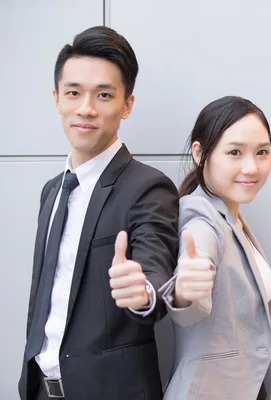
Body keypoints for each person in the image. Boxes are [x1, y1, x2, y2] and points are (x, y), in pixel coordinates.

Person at [18, 26, 179, 400]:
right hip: (41, 389)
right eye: (73, 93)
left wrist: (143, 291)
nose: (86, 108)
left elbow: (154, 268)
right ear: (57, 98)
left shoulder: (147, 187)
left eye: (104, 95)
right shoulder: (52, 192)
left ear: (127, 104)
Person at [158, 96, 271, 400]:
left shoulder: (231, 217)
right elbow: (190, 304)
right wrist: (185, 292)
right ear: (200, 153)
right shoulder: (202, 218)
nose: (251, 167)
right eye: (234, 152)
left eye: (262, 152)